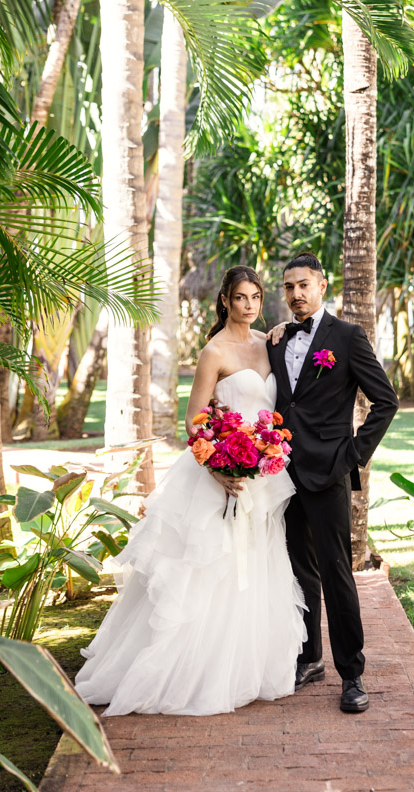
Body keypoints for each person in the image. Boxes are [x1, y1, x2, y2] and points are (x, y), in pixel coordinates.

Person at [75, 266, 305, 716]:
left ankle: (248, 667)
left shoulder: (268, 343)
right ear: (224, 301)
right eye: (240, 297)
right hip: (219, 473)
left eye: (256, 297)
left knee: (259, 563)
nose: (249, 305)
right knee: (206, 568)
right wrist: (219, 468)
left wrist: (262, 453)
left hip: (263, 473)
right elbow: (195, 419)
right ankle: (190, 671)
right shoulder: (213, 351)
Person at [267, 253, 398, 714]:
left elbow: (386, 400)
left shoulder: (347, 337)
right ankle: (309, 658)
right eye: (288, 287)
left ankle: (352, 673)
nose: (296, 294)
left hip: (329, 473)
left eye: (304, 285)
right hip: (282, 474)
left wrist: (353, 455)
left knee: (337, 573)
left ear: (322, 286)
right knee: (300, 571)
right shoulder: (277, 341)